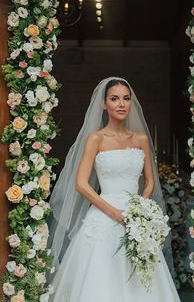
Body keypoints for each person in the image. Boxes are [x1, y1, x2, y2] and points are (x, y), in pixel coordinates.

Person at [47, 77, 180, 302]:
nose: (121, 104)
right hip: (103, 216)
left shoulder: (140, 139)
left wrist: (141, 208)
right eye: (114, 98)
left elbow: (149, 182)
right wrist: (113, 213)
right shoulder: (96, 139)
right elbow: (81, 184)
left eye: (126, 98)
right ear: (103, 104)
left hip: (136, 219)